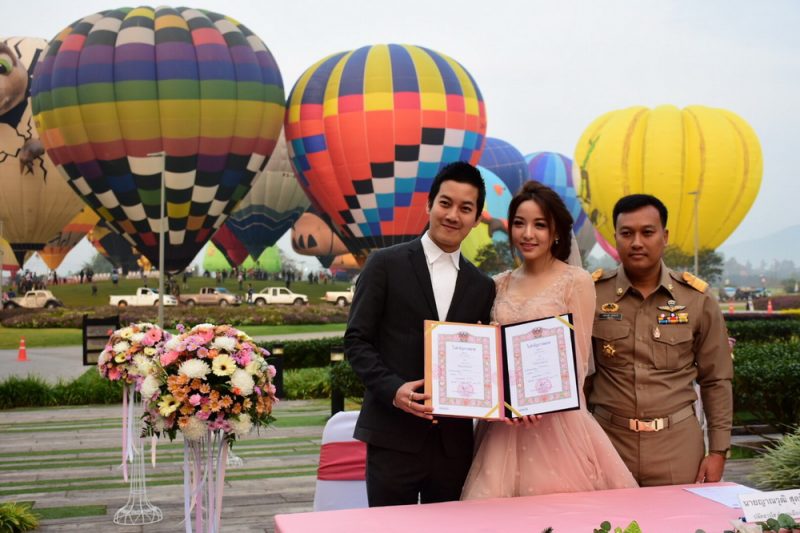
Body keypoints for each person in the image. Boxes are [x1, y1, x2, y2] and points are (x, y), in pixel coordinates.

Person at [461, 181, 637, 500]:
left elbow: (579, 362)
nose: (528, 234)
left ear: (555, 232)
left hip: (557, 427)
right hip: (503, 428)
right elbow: (491, 358)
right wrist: (502, 399)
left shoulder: (576, 281)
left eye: (539, 225)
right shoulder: (497, 284)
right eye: (519, 223)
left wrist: (535, 401)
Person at [346, 161, 496, 507]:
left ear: (476, 220)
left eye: (465, 208)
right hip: (392, 435)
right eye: (445, 203)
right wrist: (393, 389)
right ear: (429, 204)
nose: (453, 215)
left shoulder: (482, 286)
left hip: (452, 445)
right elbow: (357, 340)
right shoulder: (384, 264)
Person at [588, 194, 733, 486]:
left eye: (647, 232)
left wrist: (718, 451)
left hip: (677, 447)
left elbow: (716, 379)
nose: (637, 242)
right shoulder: (591, 295)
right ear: (615, 238)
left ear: (664, 236)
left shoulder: (697, 300)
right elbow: (578, 376)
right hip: (607, 444)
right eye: (627, 233)